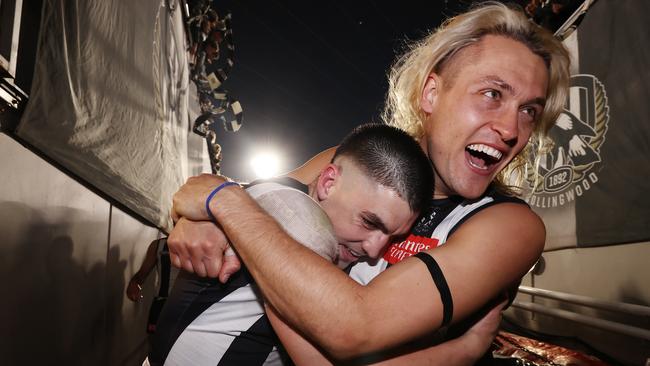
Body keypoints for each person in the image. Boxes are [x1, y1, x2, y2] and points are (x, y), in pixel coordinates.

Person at [169, 2, 570, 364]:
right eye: (492, 93)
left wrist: (223, 203)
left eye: (529, 111)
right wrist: (204, 214)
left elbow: (354, 329)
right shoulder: (355, 161)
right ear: (432, 93)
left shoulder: (510, 227)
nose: (509, 128)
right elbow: (226, 198)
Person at [148, 124, 447, 365]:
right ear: (329, 183)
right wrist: (462, 350)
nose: (373, 248)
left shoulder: (282, 192)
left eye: (392, 237)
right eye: (369, 222)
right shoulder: (304, 227)